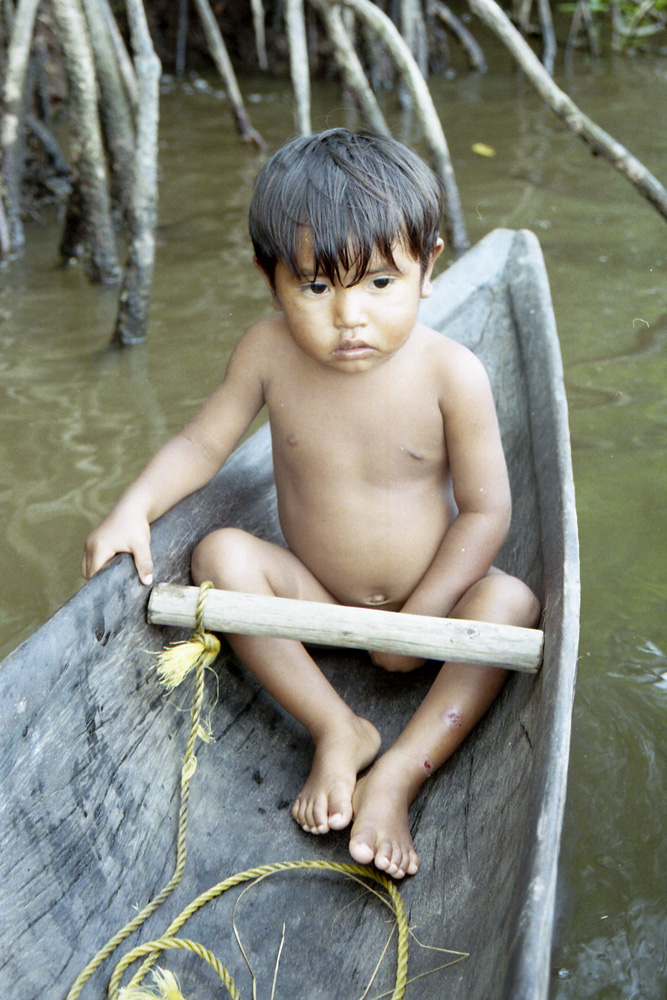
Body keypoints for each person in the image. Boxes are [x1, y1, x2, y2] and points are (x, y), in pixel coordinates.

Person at [83, 129, 540, 880]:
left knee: (512, 601)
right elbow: (201, 445)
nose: (350, 316)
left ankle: (400, 773)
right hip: (316, 598)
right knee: (219, 554)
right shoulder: (267, 353)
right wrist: (132, 507)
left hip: (436, 603)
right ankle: (338, 727)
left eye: (380, 283)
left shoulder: (452, 374)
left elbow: (486, 513)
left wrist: (421, 620)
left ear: (428, 268)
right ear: (271, 280)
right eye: (318, 288)